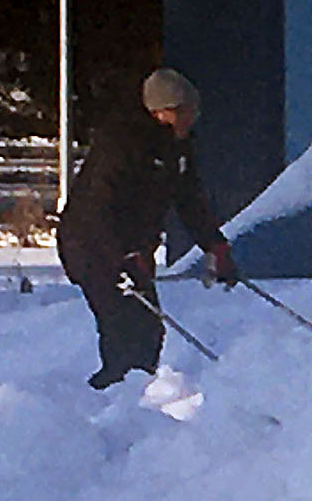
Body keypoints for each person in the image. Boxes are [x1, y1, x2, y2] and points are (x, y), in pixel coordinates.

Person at [58, 68, 233, 388]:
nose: (191, 119)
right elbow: (99, 209)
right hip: (92, 245)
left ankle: (133, 402)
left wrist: (215, 246)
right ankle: (106, 407)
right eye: (184, 112)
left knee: (149, 332)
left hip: (132, 248)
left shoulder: (177, 147)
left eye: (193, 111)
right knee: (125, 329)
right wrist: (121, 256)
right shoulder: (121, 144)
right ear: (160, 112)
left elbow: (189, 200)